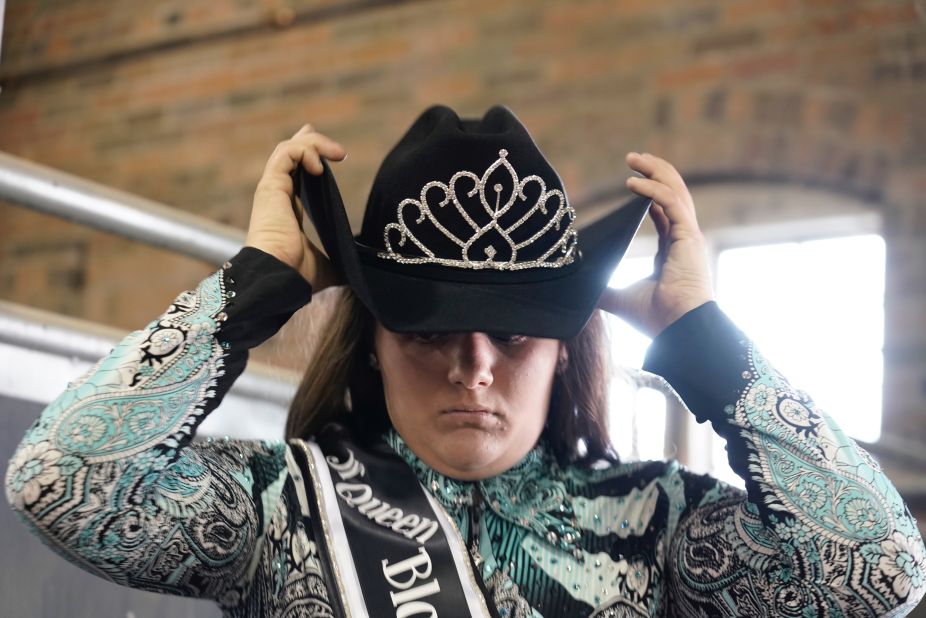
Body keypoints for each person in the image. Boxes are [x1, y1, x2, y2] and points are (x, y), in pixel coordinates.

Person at [5, 105, 925, 617]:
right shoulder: (274, 507)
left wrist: (702, 337)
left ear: (565, 355)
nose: (473, 366)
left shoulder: (659, 522)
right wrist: (257, 286)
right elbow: (58, 482)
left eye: (515, 335)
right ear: (372, 340)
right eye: (428, 331)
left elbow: (881, 570)